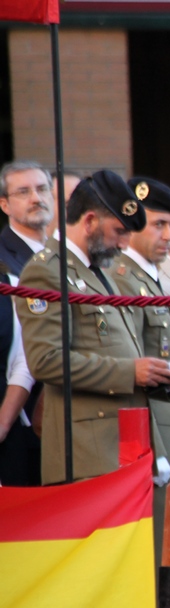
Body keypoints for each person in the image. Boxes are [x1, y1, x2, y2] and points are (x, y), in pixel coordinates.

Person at [16, 169, 170, 484]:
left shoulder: (97, 272)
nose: (124, 243)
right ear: (89, 221)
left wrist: (153, 374)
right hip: (87, 455)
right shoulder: (47, 273)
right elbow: (47, 361)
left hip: (122, 447)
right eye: (118, 231)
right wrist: (131, 372)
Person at [110, 177, 170, 559]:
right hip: (152, 435)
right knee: (153, 556)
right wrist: (153, 449)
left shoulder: (149, 279)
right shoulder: (123, 279)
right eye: (158, 224)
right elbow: (137, 374)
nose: (168, 235)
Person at [0, 160, 50, 486]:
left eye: (42, 189)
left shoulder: (64, 258)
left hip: (61, 420)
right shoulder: (5, 263)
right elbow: (24, 350)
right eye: (23, 192)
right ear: (4, 204)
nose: (36, 198)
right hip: (17, 421)